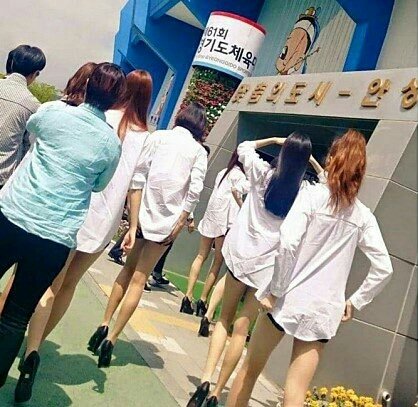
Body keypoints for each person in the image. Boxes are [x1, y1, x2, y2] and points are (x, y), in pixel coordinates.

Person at [4, 69, 152, 402]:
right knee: (68, 286)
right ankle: (34, 350)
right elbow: (133, 184)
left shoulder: (93, 115)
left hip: (61, 212)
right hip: (101, 221)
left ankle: (18, 340)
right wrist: (132, 225)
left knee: (41, 287)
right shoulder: (145, 138)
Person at [226, 130, 393, 407]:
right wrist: (355, 301)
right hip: (323, 311)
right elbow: (384, 267)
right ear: (360, 173)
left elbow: (288, 242)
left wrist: (275, 290)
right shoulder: (363, 216)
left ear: (331, 159)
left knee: (250, 371)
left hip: (286, 298)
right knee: (296, 390)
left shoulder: (312, 196)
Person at [187, 133, 323, 407]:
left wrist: (274, 140)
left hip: (240, 258)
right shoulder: (305, 192)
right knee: (241, 329)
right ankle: (217, 392)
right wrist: (311, 161)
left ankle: (206, 379)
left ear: (283, 153)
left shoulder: (261, 173)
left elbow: (244, 147)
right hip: (266, 272)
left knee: (223, 320)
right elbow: (328, 182)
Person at [87, 102, 208, 368]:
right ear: (200, 126)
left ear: (181, 117)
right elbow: (195, 190)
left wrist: (134, 216)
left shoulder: (158, 137)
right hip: (168, 224)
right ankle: (113, 338)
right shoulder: (198, 152)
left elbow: (138, 174)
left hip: (142, 214)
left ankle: (104, 323)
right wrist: (181, 220)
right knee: (140, 279)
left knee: (127, 270)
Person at [0, 62, 99, 318]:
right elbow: (100, 183)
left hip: (17, 208)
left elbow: (30, 136)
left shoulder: (50, 110)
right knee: (17, 314)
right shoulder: (104, 133)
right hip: (56, 228)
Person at [181, 150, 249, 317]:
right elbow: (235, 198)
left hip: (210, 218)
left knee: (200, 256)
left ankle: (187, 296)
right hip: (224, 223)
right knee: (217, 262)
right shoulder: (241, 177)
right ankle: (203, 300)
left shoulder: (222, 173)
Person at [0, 45, 46, 188]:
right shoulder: (33, 106)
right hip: (3, 176)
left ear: (12, 63)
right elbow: (28, 144)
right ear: (35, 73)